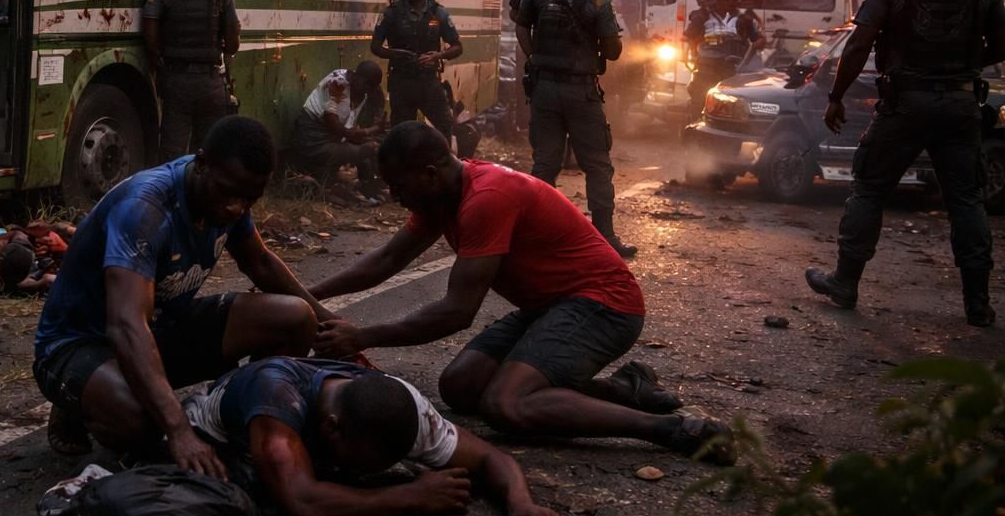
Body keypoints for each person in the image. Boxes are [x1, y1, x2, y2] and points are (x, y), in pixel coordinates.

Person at [311, 123, 735, 465]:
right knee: (460, 387)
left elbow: (457, 312)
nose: (394, 196)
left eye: (398, 186)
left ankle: (672, 429)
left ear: (429, 174)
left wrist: (362, 336)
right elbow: (388, 259)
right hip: (551, 307)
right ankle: (624, 389)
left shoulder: (486, 198)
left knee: (506, 405)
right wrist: (309, 292)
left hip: (604, 305)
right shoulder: (438, 198)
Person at [32, 116, 334, 474]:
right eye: (229, 193)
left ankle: (244, 420)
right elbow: (126, 325)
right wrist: (177, 429)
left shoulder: (229, 194)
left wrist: (332, 326)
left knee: (296, 318)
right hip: (79, 342)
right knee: (143, 419)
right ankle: (81, 399)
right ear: (202, 163)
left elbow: (261, 264)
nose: (236, 209)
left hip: (158, 327)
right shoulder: (145, 208)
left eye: (250, 199)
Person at [807, 0, 1004, 327]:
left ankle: (845, 282)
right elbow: (1003, 44)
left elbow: (859, 44)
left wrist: (836, 96)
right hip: (961, 104)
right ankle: (978, 303)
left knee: (870, 188)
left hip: (906, 105)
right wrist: (965, 65)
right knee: (966, 199)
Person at [182, 356, 568, 516]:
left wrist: (521, 503)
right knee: (244, 495)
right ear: (332, 428)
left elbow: (490, 457)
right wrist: (411, 496)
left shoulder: (405, 407)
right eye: (364, 461)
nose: (368, 471)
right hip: (214, 432)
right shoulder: (276, 402)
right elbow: (301, 505)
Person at [516, 0, 636, 257]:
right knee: (597, 165)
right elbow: (613, 52)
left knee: (545, 164)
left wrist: (533, 56)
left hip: (545, 89)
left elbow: (521, 24)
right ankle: (605, 237)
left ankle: (534, 235)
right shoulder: (598, 0)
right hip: (580, 92)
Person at [142, 0, 241, 162]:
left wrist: (160, 61)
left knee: (172, 151)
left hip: (177, 81)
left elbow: (150, 35)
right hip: (211, 83)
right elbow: (233, 43)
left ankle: (175, 183)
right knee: (210, 151)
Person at [370, 0, 462, 139]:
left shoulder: (438, 13)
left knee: (445, 126)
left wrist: (438, 56)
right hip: (401, 81)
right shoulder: (391, 13)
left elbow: (457, 47)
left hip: (429, 82)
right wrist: (395, 54)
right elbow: (375, 47)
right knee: (402, 133)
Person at [291, 61, 386, 202]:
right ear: (358, 78)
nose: (367, 90)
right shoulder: (338, 83)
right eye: (366, 86)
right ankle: (363, 190)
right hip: (314, 140)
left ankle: (369, 189)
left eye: (370, 88)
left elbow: (349, 130)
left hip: (333, 137)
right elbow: (334, 125)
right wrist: (368, 131)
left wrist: (367, 131)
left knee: (371, 148)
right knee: (366, 149)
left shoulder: (361, 90)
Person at [684, 0, 764, 120]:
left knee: (737, 100)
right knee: (699, 97)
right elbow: (690, 36)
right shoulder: (703, 16)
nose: (723, 4)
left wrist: (756, 45)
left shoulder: (742, 19)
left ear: (730, 2)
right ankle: (696, 122)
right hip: (707, 66)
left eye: (726, 1)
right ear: (715, 2)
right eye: (720, 1)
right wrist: (693, 55)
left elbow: (757, 39)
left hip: (733, 67)